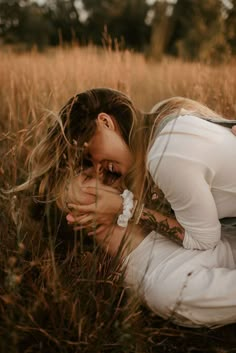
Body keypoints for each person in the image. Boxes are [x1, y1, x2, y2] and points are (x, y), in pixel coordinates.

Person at [16, 88, 236, 328]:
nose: (100, 171)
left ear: (105, 121)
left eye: (90, 156)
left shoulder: (165, 150)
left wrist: (127, 207)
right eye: (86, 168)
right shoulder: (160, 137)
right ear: (75, 216)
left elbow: (204, 238)